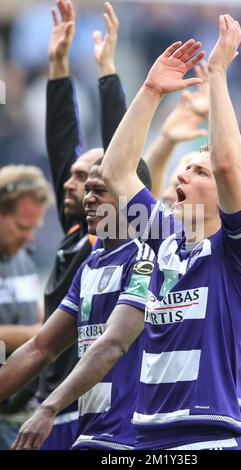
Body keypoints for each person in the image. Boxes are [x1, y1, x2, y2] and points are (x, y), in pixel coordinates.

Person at [98, 15, 241, 450]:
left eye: (199, 171)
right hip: (144, 435)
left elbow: (231, 165)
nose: (183, 175)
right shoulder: (165, 237)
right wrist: (151, 92)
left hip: (202, 438)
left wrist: (217, 76)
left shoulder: (240, 249)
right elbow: (116, 173)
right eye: (185, 167)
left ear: (228, 196)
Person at [0, 158, 155, 451]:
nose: (88, 199)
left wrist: (48, 408)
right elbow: (41, 348)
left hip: (131, 437)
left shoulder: (146, 258)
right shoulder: (90, 266)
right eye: (88, 190)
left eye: (99, 190)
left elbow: (113, 345)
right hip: (91, 432)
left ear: (128, 193)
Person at [37, 0, 126, 449]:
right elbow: (60, 144)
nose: (72, 184)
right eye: (71, 178)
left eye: (87, 178)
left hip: (81, 407)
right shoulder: (75, 234)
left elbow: (122, 156)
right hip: (45, 402)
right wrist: (57, 65)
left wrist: (107, 70)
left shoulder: (107, 234)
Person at [0, 164, 53, 449]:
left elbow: (34, 310)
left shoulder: (23, 256)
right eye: (22, 227)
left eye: (34, 228)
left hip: (22, 415)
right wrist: (38, 335)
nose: (29, 237)